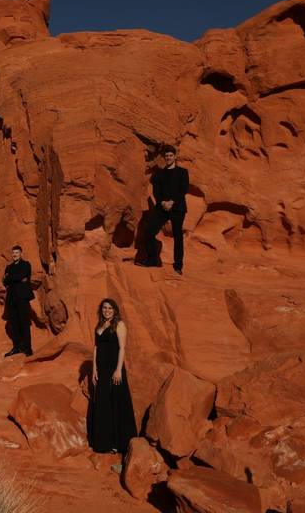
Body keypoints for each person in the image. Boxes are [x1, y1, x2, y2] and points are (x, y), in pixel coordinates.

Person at [89, 298, 137, 454]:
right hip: (101, 369)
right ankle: (105, 443)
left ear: (115, 310)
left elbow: (122, 348)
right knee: (103, 402)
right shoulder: (99, 325)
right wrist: (94, 369)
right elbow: (96, 348)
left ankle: (119, 443)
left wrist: (118, 370)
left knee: (116, 401)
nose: (107, 310)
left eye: (110, 308)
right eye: (104, 308)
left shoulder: (120, 324)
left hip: (114, 368)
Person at [141, 145, 189, 274]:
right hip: (161, 208)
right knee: (149, 231)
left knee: (178, 236)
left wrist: (172, 202)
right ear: (164, 158)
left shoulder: (183, 172)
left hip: (178, 208)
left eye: (170, 156)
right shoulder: (159, 174)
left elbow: (183, 190)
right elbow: (156, 191)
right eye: (166, 156)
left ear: (175, 156)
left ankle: (178, 266)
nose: (168, 158)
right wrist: (163, 202)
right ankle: (152, 260)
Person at [2, 245, 34, 357]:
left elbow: (21, 275)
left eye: (17, 252)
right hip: (11, 298)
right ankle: (17, 347)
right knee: (14, 324)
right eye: (13, 253)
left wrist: (11, 278)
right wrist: (17, 279)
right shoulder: (8, 267)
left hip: (22, 298)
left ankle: (28, 348)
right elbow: (4, 281)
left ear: (21, 253)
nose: (14, 255)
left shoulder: (26, 265)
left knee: (24, 323)